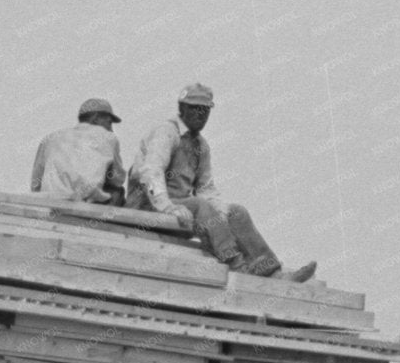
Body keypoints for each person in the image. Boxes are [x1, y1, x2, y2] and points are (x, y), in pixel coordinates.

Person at [129, 82, 316, 282]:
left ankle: (272, 271)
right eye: (194, 108)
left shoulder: (200, 145)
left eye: (204, 110)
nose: (200, 114)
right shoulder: (167, 132)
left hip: (182, 207)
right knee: (201, 206)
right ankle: (237, 266)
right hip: (148, 204)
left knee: (236, 212)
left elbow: (205, 188)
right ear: (182, 108)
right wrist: (167, 206)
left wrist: (222, 212)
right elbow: (151, 172)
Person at [31, 98, 127, 204]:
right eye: (109, 122)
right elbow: (118, 179)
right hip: (85, 202)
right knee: (117, 191)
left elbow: (36, 182)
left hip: (51, 200)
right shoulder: (107, 136)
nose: (111, 129)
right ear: (95, 118)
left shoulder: (51, 138)